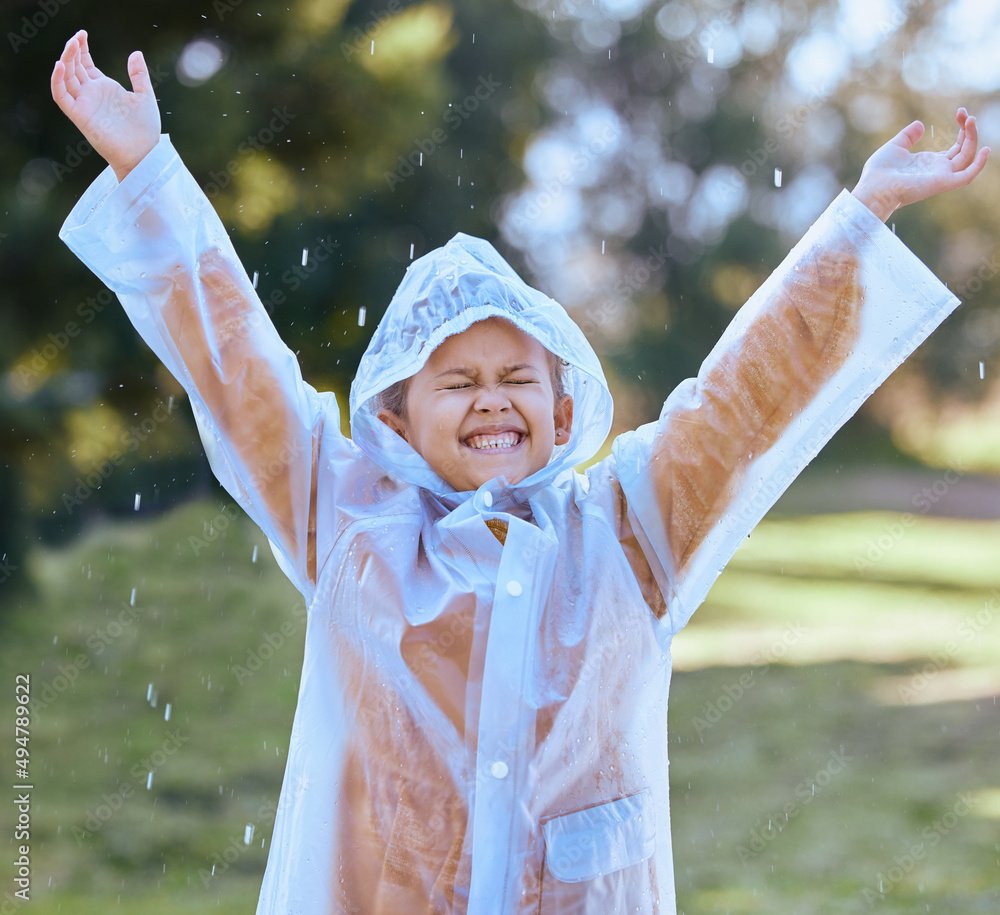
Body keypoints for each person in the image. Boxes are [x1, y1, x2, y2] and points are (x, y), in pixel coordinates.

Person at [52, 27, 988, 915]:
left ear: (562, 403)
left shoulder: (628, 524)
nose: (492, 400)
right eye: (457, 381)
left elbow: (741, 404)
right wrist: (148, 172)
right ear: (398, 416)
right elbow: (239, 370)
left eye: (517, 379)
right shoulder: (346, 521)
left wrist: (861, 219)